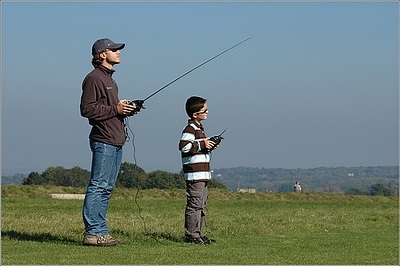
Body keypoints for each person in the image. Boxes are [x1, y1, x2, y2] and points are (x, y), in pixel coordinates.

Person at [80, 38, 137, 246]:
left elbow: (106, 108)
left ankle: (101, 231)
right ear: (102, 54)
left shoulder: (110, 80)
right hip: (103, 140)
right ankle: (93, 233)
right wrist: (116, 109)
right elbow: (87, 110)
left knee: (106, 187)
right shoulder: (94, 78)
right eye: (114, 49)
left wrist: (123, 107)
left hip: (115, 140)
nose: (118, 52)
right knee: (98, 186)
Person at [178, 96, 217, 244]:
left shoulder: (200, 128)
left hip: (203, 175)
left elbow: (196, 146)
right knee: (194, 205)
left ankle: (199, 234)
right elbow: (184, 146)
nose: (207, 112)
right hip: (195, 175)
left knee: (202, 205)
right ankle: (191, 235)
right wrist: (202, 145)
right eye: (204, 110)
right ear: (195, 114)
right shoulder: (190, 128)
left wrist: (208, 145)